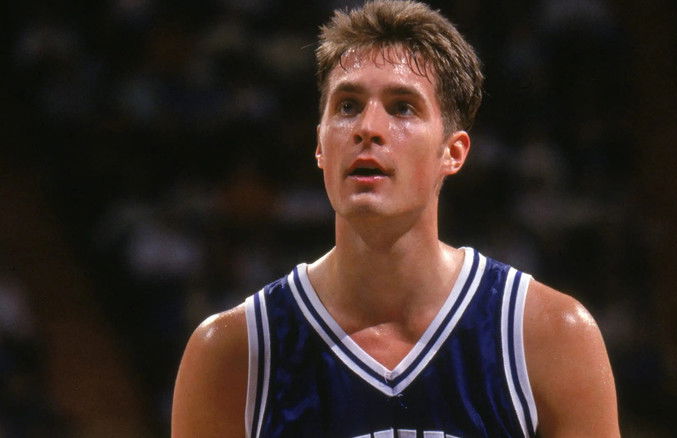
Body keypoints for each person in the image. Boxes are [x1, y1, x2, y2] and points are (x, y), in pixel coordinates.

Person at [172, 1, 619, 437]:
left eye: (402, 107)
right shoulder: (233, 354)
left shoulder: (547, 334)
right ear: (320, 145)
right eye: (347, 106)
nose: (368, 127)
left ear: (453, 152)